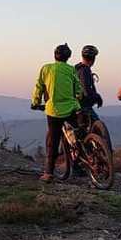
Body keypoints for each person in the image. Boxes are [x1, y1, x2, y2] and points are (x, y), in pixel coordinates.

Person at [31, 43, 83, 182]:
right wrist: (77, 99)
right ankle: (83, 156)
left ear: (55, 55)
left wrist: (36, 102)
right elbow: (78, 89)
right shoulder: (71, 69)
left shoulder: (46, 68)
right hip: (72, 108)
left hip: (53, 110)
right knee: (80, 132)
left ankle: (48, 173)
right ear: (68, 57)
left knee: (52, 141)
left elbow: (39, 86)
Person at [75, 45, 103, 118]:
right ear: (93, 58)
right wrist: (97, 97)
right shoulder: (85, 70)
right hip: (83, 106)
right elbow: (86, 90)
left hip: (74, 105)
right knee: (97, 124)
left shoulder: (77, 69)